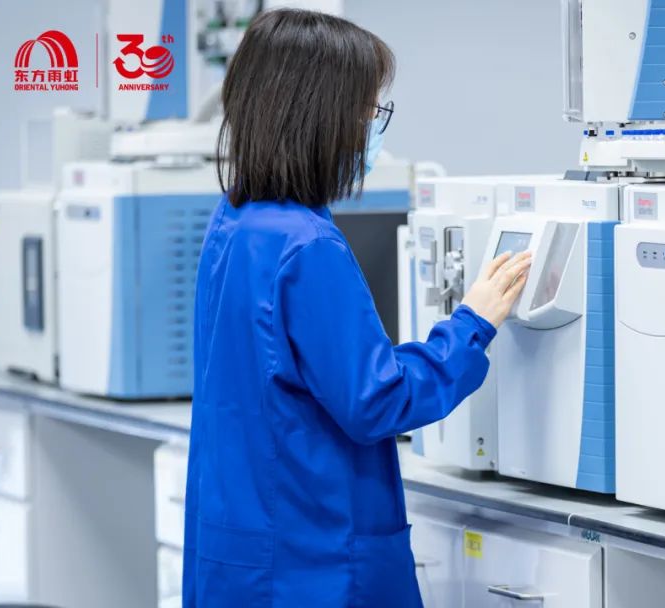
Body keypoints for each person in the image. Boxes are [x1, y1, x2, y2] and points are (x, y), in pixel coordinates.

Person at [183, 9, 532, 607]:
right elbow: (377, 400)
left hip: (243, 554)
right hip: (312, 564)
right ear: (322, 115)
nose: (372, 127)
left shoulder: (234, 224)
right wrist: (470, 326)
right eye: (369, 110)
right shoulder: (307, 247)